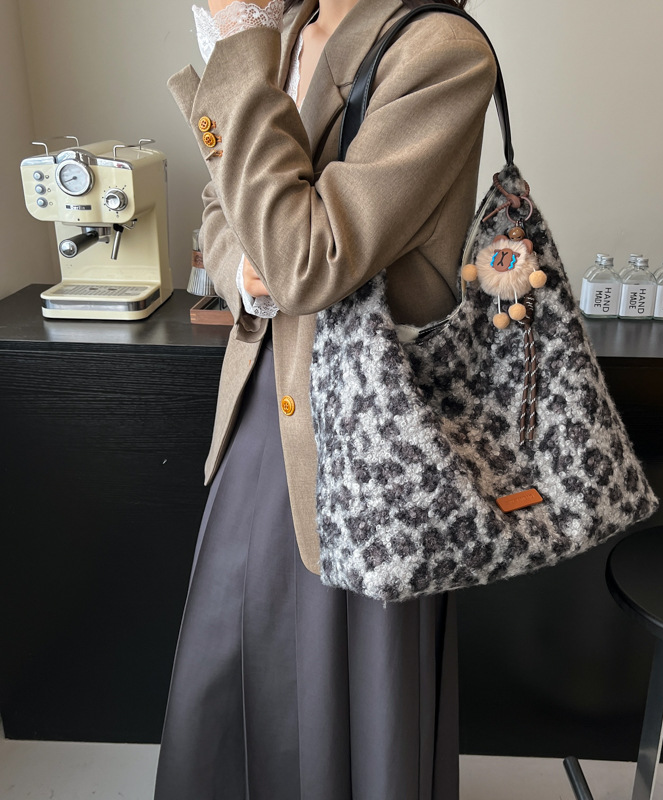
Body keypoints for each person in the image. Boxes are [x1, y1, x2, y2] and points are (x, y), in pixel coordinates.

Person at [155, 0, 495, 797]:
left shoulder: (440, 50)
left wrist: (240, 43)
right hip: (260, 409)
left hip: (367, 436)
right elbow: (222, 203)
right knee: (231, 657)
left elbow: (308, 259)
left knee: (352, 689)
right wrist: (243, 274)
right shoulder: (287, 28)